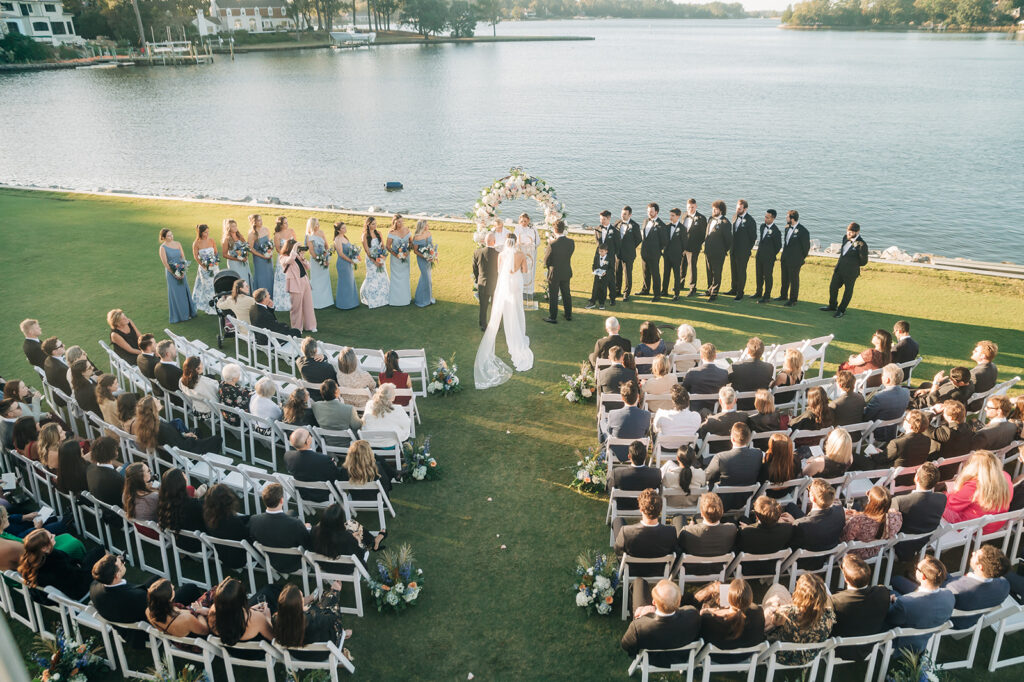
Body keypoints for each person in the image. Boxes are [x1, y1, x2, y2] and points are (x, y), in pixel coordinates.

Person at [475, 234, 534, 387]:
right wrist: (521, 266)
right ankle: (518, 333)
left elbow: (500, 272)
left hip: (506, 284)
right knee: (518, 307)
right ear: (516, 242)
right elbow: (526, 271)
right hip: (517, 283)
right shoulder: (520, 254)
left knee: (508, 307)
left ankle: (508, 327)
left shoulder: (501, 255)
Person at [621, 579, 701, 666]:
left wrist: (643, 617)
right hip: (680, 656)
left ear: (654, 602)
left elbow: (626, 646)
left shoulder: (638, 626)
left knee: (639, 582)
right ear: (678, 602)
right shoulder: (693, 615)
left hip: (650, 658)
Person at [886, 556, 955, 653]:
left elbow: (890, 618)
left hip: (901, 639)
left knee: (888, 592)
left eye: (917, 568)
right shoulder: (949, 595)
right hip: (924, 632)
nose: (915, 569)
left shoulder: (905, 603)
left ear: (923, 576)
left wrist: (890, 601)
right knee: (896, 581)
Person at [763, 573, 835, 664]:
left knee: (777, 591)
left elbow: (774, 623)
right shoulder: (828, 617)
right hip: (806, 658)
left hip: (780, 656)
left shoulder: (786, 612)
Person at [830, 554, 891, 659]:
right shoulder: (883, 593)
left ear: (846, 579)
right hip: (869, 645)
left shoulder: (835, 601)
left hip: (840, 648)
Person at [19, 529, 103, 600]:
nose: (54, 535)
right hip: (77, 590)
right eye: (51, 537)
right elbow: (77, 578)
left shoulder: (30, 561)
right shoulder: (55, 564)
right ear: (44, 548)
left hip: (53, 593)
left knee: (94, 554)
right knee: (100, 552)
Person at [943, 449, 1012, 532]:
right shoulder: (1005, 477)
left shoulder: (974, 485)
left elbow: (951, 505)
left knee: (936, 502)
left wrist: (947, 493)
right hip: (995, 523)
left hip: (973, 527)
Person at [273, 583, 351, 656]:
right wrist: (335, 592)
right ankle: (343, 633)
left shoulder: (275, 619)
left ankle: (331, 593)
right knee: (330, 607)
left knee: (317, 607)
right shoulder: (312, 620)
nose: (303, 599)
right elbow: (334, 616)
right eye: (302, 598)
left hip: (297, 654)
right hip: (320, 654)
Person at [945, 545, 1011, 628]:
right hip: (970, 621)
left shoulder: (955, 587)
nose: (972, 553)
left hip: (948, 622)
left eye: (975, 554)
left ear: (980, 567)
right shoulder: (1004, 586)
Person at [249, 482, 309, 573]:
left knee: (291, 512)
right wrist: (305, 528)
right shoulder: (295, 524)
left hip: (273, 561)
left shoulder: (253, 520)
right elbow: (306, 545)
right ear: (281, 500)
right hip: (295, 563)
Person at [891, 462, 946, 559]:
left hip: (898, 544)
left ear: (916, 478)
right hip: (921, 543)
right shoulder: (942, 498)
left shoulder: (900, 501)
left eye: (916, 472)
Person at [613, 487, 677, 568]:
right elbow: (673, 551)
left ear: (640, 509)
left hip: (632, 570)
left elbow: (618, 551)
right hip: (659, 570)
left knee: (617, 521)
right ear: (660, 509)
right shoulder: (670, 532)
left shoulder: (626, 532)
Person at [704, 422, 762, 510]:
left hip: (722, 501)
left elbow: (707, 476)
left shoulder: (721, 457)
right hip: (745, 499)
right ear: (749, 438)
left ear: (733, 439)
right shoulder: (758, 454)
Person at [785, 479, 845, 561]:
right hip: (826, 555)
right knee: (791, 506)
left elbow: (793, 543)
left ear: (812, 498)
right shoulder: (839, 510)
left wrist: (793, 523)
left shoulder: (801, 525)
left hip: (805, 560)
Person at [820, 222, 869, 318]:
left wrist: (852, 265)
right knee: (833, 287)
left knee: (848, 291)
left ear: (857, 232)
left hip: (851, 272)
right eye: (848, 231)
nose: (848, 234)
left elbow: (864, 261)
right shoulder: (844, 238)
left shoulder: (862, 244)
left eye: (851, 232)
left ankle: (841, 310)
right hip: (839, 269)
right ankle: (832, 306)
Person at [208, 577, 275, 646]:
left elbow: (228, 614)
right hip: (255, 654)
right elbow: (274, 639)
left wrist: (250, 610)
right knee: (270, 591)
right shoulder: (257, 619)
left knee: (268, 590)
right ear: (242, 601)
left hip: (232, 652)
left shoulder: (212, 613)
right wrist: (268, 618)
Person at [841, 486, 902, 558]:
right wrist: (859, 514)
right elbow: (882, 514)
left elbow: (844, 540)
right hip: (875, 550)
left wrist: (848, 520)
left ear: (870, 502)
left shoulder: (858, 521)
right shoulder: (896, 518)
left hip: (854, 553)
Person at [675, 491, 738, 560]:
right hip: (717, 567)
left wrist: (691, 528)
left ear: (702, 513)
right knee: (696, 517)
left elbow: (679, 545)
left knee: (679, 518)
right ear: (722, 511)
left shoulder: (688, 531)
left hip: (691, 568)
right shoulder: (731, 529)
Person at [876, 410, 931, 483]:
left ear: (911, 425)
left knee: (858, 459)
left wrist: (873, 455)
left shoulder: (897, 443)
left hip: (891, 479)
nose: (903, 420)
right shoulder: (927, 440)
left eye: (905, 419)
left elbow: (880, 460)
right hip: (911, 478)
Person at [284, 429, 345, 497]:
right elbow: (336, 475)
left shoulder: (287, 456)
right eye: (309, 435)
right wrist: (334, 465)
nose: (311, 436)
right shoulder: (324, 460)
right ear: (307, 441)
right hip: (326, 495)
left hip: (303, 494)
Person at [203, 484, 251, 569]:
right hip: (240, 559)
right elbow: (247, 537)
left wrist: (249, 518)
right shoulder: (233, 522)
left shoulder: (209, 518)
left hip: (223, 556)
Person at [600, 382, 651, 461]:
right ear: (637, 397)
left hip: (618, 451)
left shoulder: (613, 414)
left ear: (622, 398)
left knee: (602, 423)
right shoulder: (646, 415)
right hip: (637, 451)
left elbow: (609, 431)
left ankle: (602, 448)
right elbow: (645, 432)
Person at [924, 399, 974, 479]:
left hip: (937, 473)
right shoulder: (968, 429)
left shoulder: (948, 433)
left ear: (950, 417)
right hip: (954, 470)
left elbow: (924, 426)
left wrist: (933, 411)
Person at [157, 468, 205, 550]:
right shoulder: (193, 504)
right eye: (183, 475)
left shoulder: (163, 503)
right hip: (199, 544)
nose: (186, 476)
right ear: (180, 482)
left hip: (179, 542)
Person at [736, 496, 793, 566]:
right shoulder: (787, 529)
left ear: (757, 517)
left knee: (742, 519)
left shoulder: (745, 532)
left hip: (748, 567)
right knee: (744, 519)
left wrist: (747, 528)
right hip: (771, 566)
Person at [609, 441, 661, 515]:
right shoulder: (656, 473)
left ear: (629, 456)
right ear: (646, 456)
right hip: (647, 506)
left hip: (623, 505)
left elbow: (610, 491)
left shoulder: (617, 473)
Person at [863, 364, 911, 441]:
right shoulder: (906, 392)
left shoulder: (879, 397)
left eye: (882, 375)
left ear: (887, 380)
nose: (881, 377)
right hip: (893, 431)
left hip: (876, 432)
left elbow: (866, 416)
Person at [159, 228, 197, 323]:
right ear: (163, 237)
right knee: (176, 294)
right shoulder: (162, 248)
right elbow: (166, 263)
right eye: (168, 235)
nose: (171, 237)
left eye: (171, 234)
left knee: (184, 291)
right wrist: (175, 273)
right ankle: (181, 315)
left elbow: (182, 257)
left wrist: (182, 270)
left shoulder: (178, 244)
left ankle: (189, 313)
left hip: (181, 270)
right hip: (172, 273)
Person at [697, 386, 752, 451]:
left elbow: (701, 435)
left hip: (715, 450)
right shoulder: (744, 417)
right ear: (735, 401)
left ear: (720, 401)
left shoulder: (711, 422)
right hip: (734, 449)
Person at [280, 238, 317, 332]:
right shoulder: (283, 257)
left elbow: (308, 267)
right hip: (294, 284)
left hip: (304, 280)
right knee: (296, 307)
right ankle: (297, 328)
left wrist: (303, 258)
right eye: (295, 247)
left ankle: (311, 326)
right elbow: (290, 260)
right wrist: (295, 248)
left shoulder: (297, 256)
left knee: (308, 304)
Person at [775, 209, 810, 307]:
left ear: (792, 219)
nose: (786, 218)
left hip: (795, 260)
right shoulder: (787, 228)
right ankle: (783, 295)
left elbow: (806, 248)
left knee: (794, 280)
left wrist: (800, 259)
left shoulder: (803, 231)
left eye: (787, 217)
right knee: (784, 278)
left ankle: (793, 300)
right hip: (785, 258)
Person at [543, 219, 575, 322]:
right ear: (563, 229)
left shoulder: (552, 244)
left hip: (554, 273)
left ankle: (553, 317)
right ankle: (568, 315)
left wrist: (550, 266)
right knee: (566, 294)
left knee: (553, 295)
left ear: (554, 229)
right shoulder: (571, 242)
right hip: (566, 271)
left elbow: (546, 261)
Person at [682, 344, 729, 414]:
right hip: (714, 410)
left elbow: (684, 390)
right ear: (715, 356)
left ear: (701, 356)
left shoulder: (692, 373)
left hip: (695, 411)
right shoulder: (724, 374)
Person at [728, 337, 774, 408]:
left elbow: (726, 381)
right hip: (759, 404)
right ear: (762, 352)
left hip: (739, 405)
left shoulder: (736, 366)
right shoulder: (769, 368)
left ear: (748, 351)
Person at [726, 199, 757, 300]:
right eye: (737, 208)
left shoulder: (751, 221)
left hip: (743, 252)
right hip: (733, 249)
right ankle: (733, 289)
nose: (737, 210)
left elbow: (753, 238)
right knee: (733, 270)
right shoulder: (735, 216)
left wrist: (746, 249)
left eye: (739, 208)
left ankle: (740, 292)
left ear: (745, 208)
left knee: (741, 272)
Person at [702, 200, 732, 301]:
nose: (713, 210)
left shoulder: (725, 223)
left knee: (717, 273)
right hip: (708, 251)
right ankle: (709, 289)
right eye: (713, 208)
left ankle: (714, 293)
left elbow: (728, 240)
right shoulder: (710, 219)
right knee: (709, 272)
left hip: (718, 253)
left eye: (716, 209)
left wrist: (723, 250)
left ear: (721, 210)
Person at [637, 202, 667, 300]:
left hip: (654, 254)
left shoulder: (661, 225)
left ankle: (657, 294)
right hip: (644, 252)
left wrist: (657, 250)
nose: (649, 213)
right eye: (648, 211)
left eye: (651, 211)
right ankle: (645, 290)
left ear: (656, 212)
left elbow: (664, 241)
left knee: (655, 274)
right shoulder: (645, 221)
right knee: (645, 272)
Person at [360, 216, 390, 309]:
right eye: (373, 224)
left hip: (380, 258)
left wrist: (382, 258)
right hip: (371, 260)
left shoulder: (379, 233)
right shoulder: (364, 235)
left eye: (376, 223)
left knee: (382, 276)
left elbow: (383, 247)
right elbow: (367, 251)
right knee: (372, 277)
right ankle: (371, 299)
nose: (375, 225)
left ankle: (384, 298)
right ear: (368, 225)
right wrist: (374, 261)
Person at [303, 217, 334, 309]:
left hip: (324, 259)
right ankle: (316, 302)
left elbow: (326, 246)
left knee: (325, 280)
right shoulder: (308, 236)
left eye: (318, 223)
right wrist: (320, 260)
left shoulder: (321, 233)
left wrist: (326, 258)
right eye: (316, 224)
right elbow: (311, 251)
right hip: (316, 262)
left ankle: (327, 301)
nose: (318, 225)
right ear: (311, 225)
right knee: (316, 281)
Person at [753, 209, 782, 303]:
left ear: (773, 218)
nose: (765, 219)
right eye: (765, 217)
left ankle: (767, 296)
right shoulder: (762, 227)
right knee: (759, 275)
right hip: (759, 256)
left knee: (768, 276)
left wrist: (771, 255)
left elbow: (778, 246)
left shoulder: (776, 231)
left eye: (767, 217)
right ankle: (758, 292)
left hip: (769, 258)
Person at [473, 232, 500, 331]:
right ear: (494, 242)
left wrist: (478, 278)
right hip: (495, 284)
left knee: (483, 306)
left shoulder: (477, 252)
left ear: (485, 241)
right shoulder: (499, 254)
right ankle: (496, 324)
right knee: (495, 306)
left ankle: (483, 325)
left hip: (482, 282)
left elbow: (475, 269)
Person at [191, 223, 220, 314]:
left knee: (215, 285)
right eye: (205, 232)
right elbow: (196, 256)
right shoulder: (196, 243)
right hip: (204, 269)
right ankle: (210, 307)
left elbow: (215, 252)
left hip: (214, 267)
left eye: (208, 232)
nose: (207, 234)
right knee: (208, 287)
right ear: (200, 232)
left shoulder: (211, 240)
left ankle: (218, 305)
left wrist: (214, 262)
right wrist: (204, 266)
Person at [87, 435, 124, 506]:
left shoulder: (90, 469)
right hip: (119, 509)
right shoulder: (117, 479)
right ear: (114, 453)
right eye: (116, 449)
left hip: (103, 504)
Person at [614, 206, 641, 301]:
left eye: (625, 214)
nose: (623, 215)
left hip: (629, 254)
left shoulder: (635, 225)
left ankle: (626, 293)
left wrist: (630, 247)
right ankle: (617, 291)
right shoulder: (617, 223)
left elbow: (639, 239)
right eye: (622, 213)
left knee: (627, 274)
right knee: (617, 272)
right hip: (618, 253)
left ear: (630, 215)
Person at [681, 199, 707, 297]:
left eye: (692, 207)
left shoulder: (701, 218)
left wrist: (697, 245)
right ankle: (680, 284)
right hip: (683, 246)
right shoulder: (684, 216)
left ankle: (692, 288)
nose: (690, 209)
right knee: (681, 266)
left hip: (693, 248)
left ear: (696, 206)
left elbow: (703, 234)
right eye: (688, 207)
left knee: (692, 268)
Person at [332, 221, 360, 310]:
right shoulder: (337, 239)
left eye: (345, 227)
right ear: (339, 230)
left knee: (350, 282)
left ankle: (352, 302)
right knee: (344, 283)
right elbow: (341, 254)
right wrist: (351, 261)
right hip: (343, 263)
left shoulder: (345, 237)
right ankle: (344, 304)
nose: (345, 229)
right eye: (343, 228)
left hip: (348, 262)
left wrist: (355, 255)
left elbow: (350, 249)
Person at [386, 214, 412, 307]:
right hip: (395, 259)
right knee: (396, 278)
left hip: (406, 258)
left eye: (402, 221)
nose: (401, 223)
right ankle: (396, 300)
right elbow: (388, 247)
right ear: (395, 222)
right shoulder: (391, 232)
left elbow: (411, 243)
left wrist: (407, 253)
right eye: (399, 222)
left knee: (405, 277)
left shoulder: (407, 230)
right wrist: (396, 255)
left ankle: (406, 298)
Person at [515, 212, 540, 307]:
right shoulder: (517, 229)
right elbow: (515, 240)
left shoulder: (533, 229)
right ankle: (520, 290)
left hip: (531, 255)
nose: (523, 223)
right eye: (522, 221)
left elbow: (538, 241)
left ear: (528, 220)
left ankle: (529, 291)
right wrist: (519, 245)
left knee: (529, 272)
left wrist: (532, 245)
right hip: (520, 253)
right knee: (520, 272)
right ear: (519, 221)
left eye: (525, 221)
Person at [660, 207, 686, 299]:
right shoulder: (667, 227)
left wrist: (679, 253)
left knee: (676, 275)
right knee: (666, 274)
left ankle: (676, 294)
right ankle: (664, 291)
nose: (670, 217)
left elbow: (684, 244)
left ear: (678, 216)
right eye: (670, 215)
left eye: (673, 216)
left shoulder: (682, 228)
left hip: (676, 256)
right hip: (667, 255)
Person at [271, 216, 295, 311]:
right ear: (280, 225)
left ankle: (294, 301)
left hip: (292, 259)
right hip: (283, 260)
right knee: (283, 280)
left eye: (287, 222)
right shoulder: (277, 235)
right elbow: (277, 249)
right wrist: (286, 254)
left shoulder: (291, 231)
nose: (287, 224)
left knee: (292, 279)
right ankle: (282, 303)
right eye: (285, 223)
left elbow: (296, 244)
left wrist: (293, 254)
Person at [247, 214, 275, 297]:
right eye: (258, 220)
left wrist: (269, 251)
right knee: (261, 276)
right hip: (259, 259)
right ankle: (261, 296)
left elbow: (269, 243)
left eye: (261, 220)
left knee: (269, 275)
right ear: (254, 222)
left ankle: (270, 295)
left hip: (268, 257)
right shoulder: (252, 234)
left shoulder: (266, 229)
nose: (261, 222)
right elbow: (251, 249)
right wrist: (263, 256)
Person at [967, 340, 999, 411]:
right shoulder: (993, 367)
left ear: (983, 356)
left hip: (971, 405)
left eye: (976, 351)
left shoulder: (974, 374)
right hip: (982, 402)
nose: (973, 351)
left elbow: (964, 392)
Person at [411, 219, 436, 307]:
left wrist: (433, 255)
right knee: (426, 278)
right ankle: (421, 300)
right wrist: (425, 256)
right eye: (426, 225)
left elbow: (431, 245)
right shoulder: (417, 237)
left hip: (429, 259)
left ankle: (427, 298)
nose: (427, 226)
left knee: (426, 278)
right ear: (421, 226)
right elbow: (415, 251)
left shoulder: (429, 233)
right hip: (422, 259)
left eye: (427, 225)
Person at [222, 218, 252, 288]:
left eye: (235, 226)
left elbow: (246, 246)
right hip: (234, 263)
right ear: (228, 228)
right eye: (233, 226)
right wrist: (238, 259)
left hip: (244, 262)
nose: (235, 228)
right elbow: (224, 255)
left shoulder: (240, 236)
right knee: (238, 279)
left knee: (246, 278)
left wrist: (245, 256)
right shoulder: (226, 239)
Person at [586, 242, 615, 310]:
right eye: (599, 251)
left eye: (602, 251)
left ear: (606, 251)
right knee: (595, 289)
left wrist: (606, 273)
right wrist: (594, 270)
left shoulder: (609, 258)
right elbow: (594, 265)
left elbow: (611, 268)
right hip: (597, 276)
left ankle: (602, 303)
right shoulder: (596, 257)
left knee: (603, 290)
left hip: (605, 277)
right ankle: (592, 302)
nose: (600, 253)